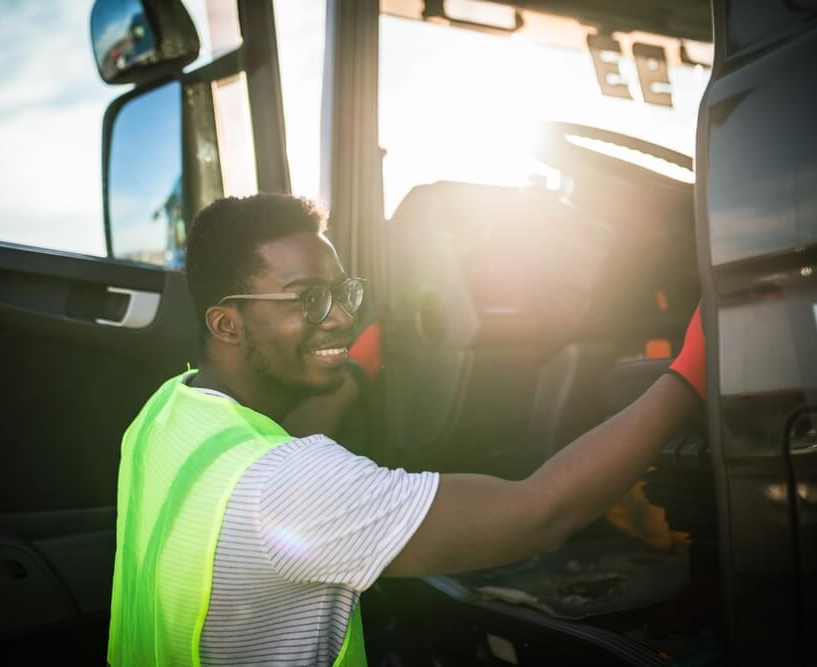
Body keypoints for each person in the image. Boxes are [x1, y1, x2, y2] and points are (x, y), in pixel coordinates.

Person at [107, 193, 706, 666]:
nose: (342, 317)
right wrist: (691, 374)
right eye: (309, 299)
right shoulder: (288, 487)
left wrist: (356, 367)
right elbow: (541, 512)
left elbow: (282, 445)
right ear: (227, 324)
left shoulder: (168, 414)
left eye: (344, 293)